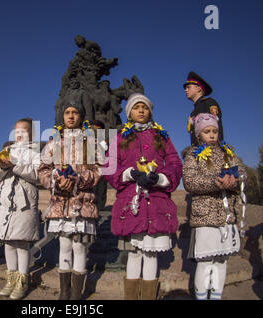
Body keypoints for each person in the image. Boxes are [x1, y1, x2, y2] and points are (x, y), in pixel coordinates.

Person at [103, 93, 183, 300]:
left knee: (150, 254)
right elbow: (109, 165)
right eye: (136, 107)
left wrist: (162, 179)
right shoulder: (121, 136)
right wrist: (128, 173)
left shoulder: (161, 135)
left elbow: (174, 162)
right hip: (131, 203)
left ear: (150, 112)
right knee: (134, 253)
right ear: (129, 112)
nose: (141, 111)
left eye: (144, 107)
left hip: (156, 202)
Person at [39, 101, 102, 300]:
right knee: (64, 246)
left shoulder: (90, 142)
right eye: (67, 112)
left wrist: (78, 179)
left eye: (75, 112)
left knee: (79, 246)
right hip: (60, 203)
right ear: (63, 116)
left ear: (81, 116)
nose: (71, 116)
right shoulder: (53, 142)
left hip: (82, 203)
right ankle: (64, 293)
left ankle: (76, 295)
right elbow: (43, 169)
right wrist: (56, 182)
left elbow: (99, 168)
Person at [182, 113, 246, 300]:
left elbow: (242, 172)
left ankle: (216, 296)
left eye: (215, 131)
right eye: (207, 131)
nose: (212, 135)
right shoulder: (193, 155)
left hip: (227, 217)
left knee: (221, 261)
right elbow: (190, 181)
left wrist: (235, 180)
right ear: (199, 134)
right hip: (205, 217)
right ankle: (202, 296)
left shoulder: (228, 152)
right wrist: (215, 181)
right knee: (205, 261)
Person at [0, 118, 40, 299]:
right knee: (8, 242)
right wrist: (1, 167)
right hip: (5, 203)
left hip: (24, 203)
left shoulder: (35, 153)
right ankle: (10, 279)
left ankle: (22, 281)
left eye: (24, 131)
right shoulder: (6, 151)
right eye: (16, 131)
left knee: (22, 242)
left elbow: (37, 176)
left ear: (31, 134)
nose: (19, 134)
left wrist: (15, 166)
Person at [184, 71, 224, 146]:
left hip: (211, 153)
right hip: (198, 153)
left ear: (198, 88)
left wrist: (217, 151)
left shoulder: (209, 103)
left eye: (188, 87)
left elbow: (217, 130)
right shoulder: (193, 112)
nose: (186, 90)